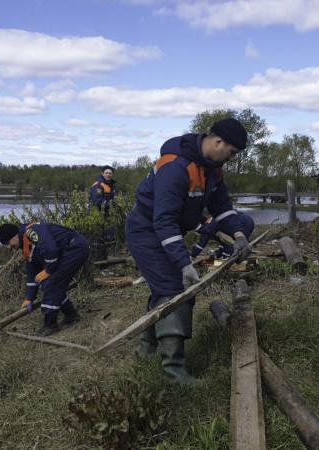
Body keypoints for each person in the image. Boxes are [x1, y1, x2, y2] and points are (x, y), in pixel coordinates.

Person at [125, 117, 253, 384]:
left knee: (164, 288)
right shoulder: (176, 165)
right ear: (218, 141)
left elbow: (223, 208)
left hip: (166, 229)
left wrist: (239, 235)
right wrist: (185, 264)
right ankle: (174, 372)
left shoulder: (213, 168)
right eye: (232, 153)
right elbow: (164, 220)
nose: (232, 159)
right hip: (146, 230)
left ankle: (146, 348)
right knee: (176, 290)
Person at [0, 221, 89, 337]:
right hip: (67, 251)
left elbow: (51, 250)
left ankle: (50, 325)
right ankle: (71, 315)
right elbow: (32, 273)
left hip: (75, 248)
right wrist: (29, 298)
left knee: (52, 283)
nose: (9, 247)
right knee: (47, 283)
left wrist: (48, 271)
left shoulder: (32, 232)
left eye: (8, 243)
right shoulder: (25, 245)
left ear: (15, 235)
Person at [190, 212, 255, 259]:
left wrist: (192, 256)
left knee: (234, 245)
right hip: (246, 220)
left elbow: (201, 244)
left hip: (244, 223)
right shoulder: (211, 222)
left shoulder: (208, 227)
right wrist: (218, 256)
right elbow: (223, 241)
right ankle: (236, 257)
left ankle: (232, 260)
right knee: (235, 245)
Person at [89, 165, 117, 261]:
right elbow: (97, 200)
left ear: (112, 175)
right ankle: (97, 259)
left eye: (110, 173)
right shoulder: (98, 185)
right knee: (97, 236)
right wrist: (110, 206)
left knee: (108, 236)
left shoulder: (111, 186)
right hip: (97, 214)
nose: (108, 175)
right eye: (106, 173)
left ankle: (104, 258)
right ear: (102, 174)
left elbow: (111, 199)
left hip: (107, 215)